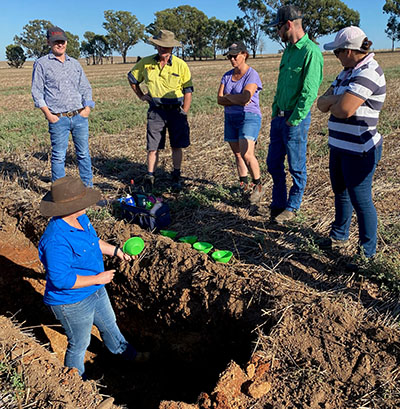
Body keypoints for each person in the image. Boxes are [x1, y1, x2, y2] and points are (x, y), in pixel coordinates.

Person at [38, 176, 147, 378]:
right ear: (69, 208)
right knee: (80, 343)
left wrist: (117, 252)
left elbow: (93, 242)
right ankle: (77, 384)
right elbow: (61, 280)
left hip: (95, 289)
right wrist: (98, 279)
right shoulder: (56, 240)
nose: (88, 203)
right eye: (82, 201)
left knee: (110, 324)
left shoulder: (81, 219)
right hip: (71, 302)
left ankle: (128, 355)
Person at [317, 27, 386, 260]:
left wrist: (335, 101)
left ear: (348, 51)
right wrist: (337, 99)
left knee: (361, 200)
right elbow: (321, 103)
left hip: (360, 150)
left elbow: (344, 110)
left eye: (337, 52)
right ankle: (339, 236)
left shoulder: (369, 72)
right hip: (339, 146)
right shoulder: (346, 73)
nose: (335, 56)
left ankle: (367, 254)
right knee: (340, 193)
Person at [263, 5, 323, 222]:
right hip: (278, 117)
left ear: (288, 25)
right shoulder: (287, 51)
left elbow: (309, 92)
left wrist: (293, 119)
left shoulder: (311, 52)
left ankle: (292, 207)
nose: (277, 33)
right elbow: (281, 87)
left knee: (296, 166)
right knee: (272, 163)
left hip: (294, 119)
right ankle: (278, 203)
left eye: (278, 28)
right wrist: (273, 113)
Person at [128, 30, 193, 192]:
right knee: (153, 146)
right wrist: (141, 96)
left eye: (168, 47)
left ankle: (176, 176)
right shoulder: (146, 63)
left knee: (177, 145)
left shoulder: (181, 65)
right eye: (161, 46)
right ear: (156, 45)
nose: (164, 50)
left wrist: (184, 110)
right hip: (156, 111)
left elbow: (188, 90)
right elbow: (132, 79)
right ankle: (150, 176)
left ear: (172, 48)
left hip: (176, 111)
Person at [31, 27, 95, 187]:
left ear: (66, 42)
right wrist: (49, 115)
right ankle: (60, 194)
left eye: (62, 41)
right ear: (48, 42)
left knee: (84, 154)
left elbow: (86, 87)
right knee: (59, 156)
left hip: (79, 117)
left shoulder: (75, 64)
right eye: (56, 41)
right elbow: (37, 92)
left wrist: (87, 109)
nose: (60, 44)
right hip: (58, 119)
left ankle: (88, 189)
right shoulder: (41, 64)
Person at [217, 41, 266, 204]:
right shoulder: (226, 76)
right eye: (229, 56)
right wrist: (233, 100)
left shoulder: (252, 75)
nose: (232, 59)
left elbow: (246, 98)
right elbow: (219, 99)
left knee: (247, 153)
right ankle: (244, 184)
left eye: (235, 56)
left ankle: (258, 185)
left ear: (244, 55)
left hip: (249, 117)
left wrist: (228, 98)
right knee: (237, 154)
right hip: (231, 118)